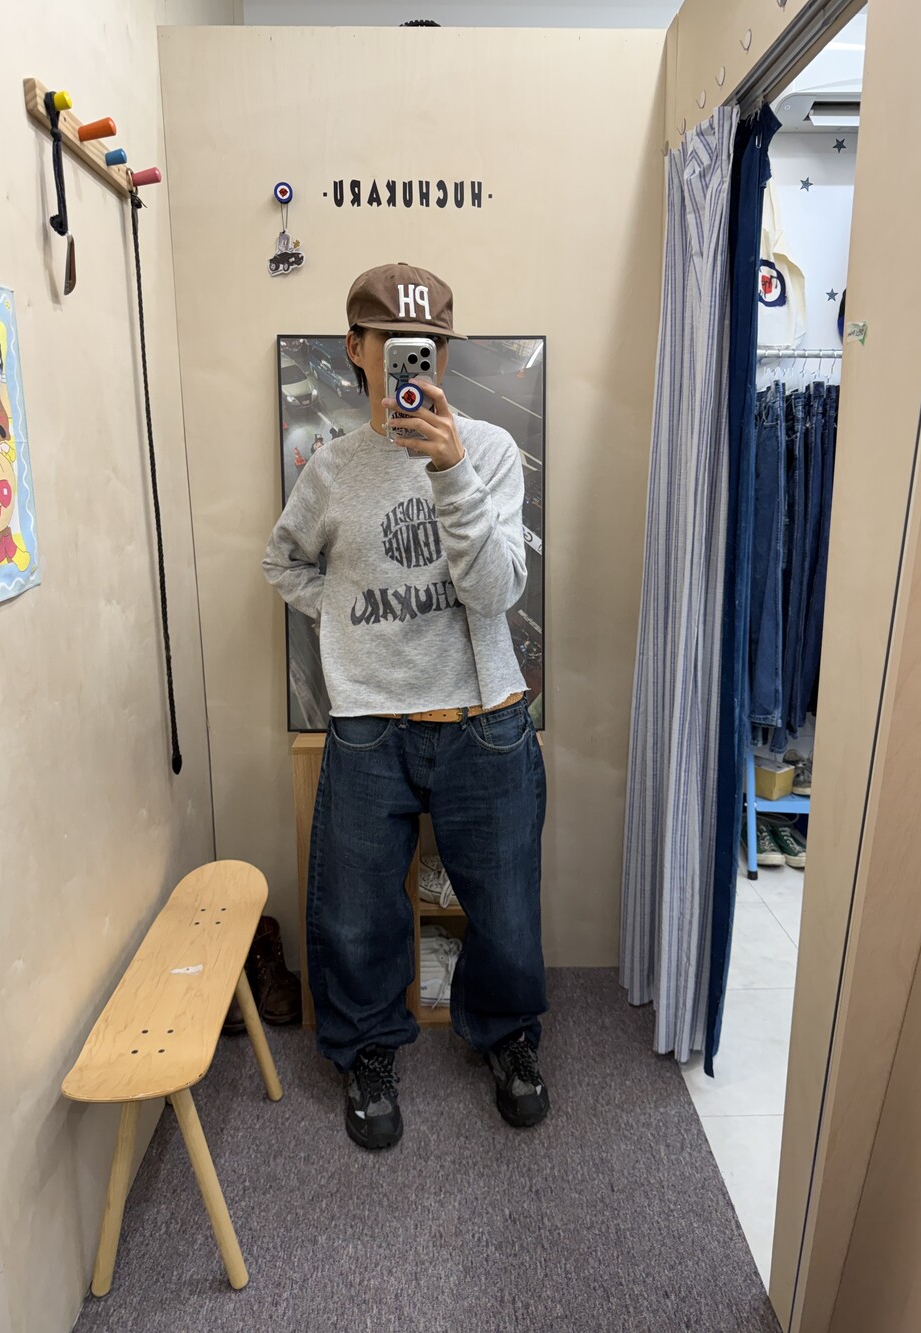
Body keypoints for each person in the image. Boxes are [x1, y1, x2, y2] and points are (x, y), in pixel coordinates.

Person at [263, 262, 549, 1151]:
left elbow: (496, 591)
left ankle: (507, 1036)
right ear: (358, 349)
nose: (413, 360)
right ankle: (367, 1052)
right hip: (367, 722)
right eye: (392, 344)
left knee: (504, 906)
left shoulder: (489, 450)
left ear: (445, 353)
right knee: (356, 912)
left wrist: (452, 471)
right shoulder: (332, 468)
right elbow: (282, 562)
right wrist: (343, 612)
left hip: (482, 718)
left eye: (429, 345)